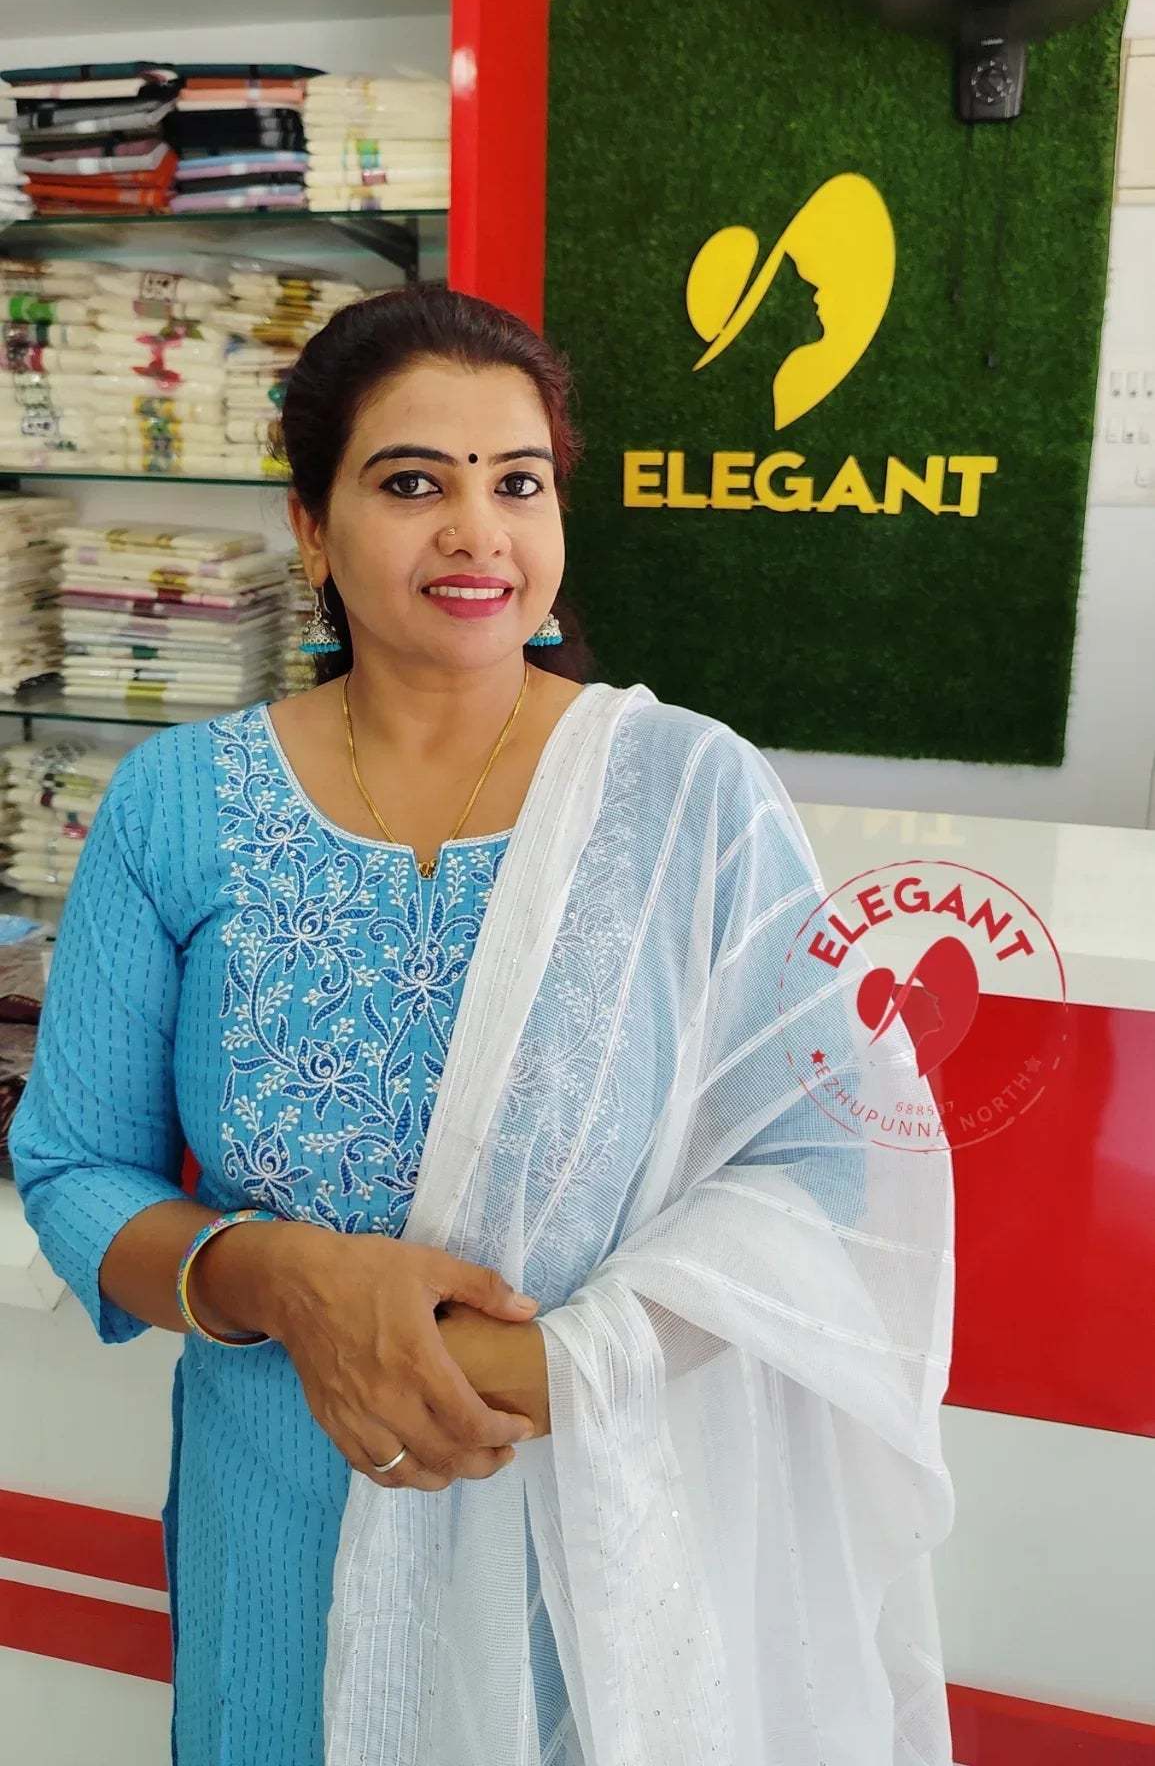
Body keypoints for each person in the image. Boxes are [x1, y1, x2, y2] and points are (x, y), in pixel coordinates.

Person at [11, 283, 957, 1766]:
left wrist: (544, 1371)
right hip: (280, 1532)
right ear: (312, 530)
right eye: (411, 484)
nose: (476, 532)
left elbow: (823, 1162)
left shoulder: (686, 796)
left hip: (583, 1528)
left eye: (517, 484)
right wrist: (285, 1279)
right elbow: (74, 1169)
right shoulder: (176, 806)